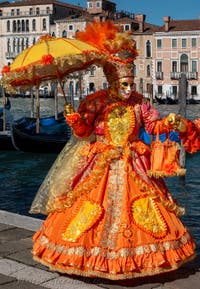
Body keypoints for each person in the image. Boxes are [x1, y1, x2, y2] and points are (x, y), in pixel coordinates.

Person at [30, 21, 200, 280]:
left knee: (144, 210)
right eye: (124, 84)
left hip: (134, 162)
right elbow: (84, 133)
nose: (129, 89)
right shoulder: (96, 101)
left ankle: (135, 261)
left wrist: (170, 122)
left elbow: (152, 125)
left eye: (130, 84)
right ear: (112, 80)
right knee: (88, 208)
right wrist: (75, 120)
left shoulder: (139, 102)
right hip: (101, 162)